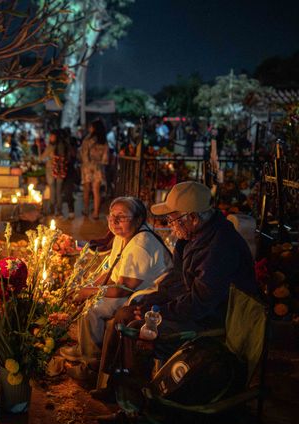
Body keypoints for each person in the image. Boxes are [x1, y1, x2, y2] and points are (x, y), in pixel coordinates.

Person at [101, 181, 258, 384]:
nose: (169, 224)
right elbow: (175, 280)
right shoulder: (192, 236)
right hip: (192, 306)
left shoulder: (219, 248)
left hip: (213, 317)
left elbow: (201, 303)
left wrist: (160, 313)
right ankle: (111, 381)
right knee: (126, 312)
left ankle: (137, 400)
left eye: (171, 218)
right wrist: (150, 303)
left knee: (137, 329)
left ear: (191, 218)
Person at [60, 197, 171, 381]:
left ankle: (92, 366)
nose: (114, 221)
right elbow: (111, 272)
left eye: (121, 216)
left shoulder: (141, 245)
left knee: (92, 310)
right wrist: (87, 286)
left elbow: (123, 289)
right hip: (128, 289)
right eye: (111, 215)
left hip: (142, 296)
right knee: (88, 296)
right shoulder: (121, 236)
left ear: (137, 220)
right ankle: (84, 348)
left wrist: (88, 292)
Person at [79, 119, 109, 220]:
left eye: (91, 127)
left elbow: (84, 154)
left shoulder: (88, 139)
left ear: (94, 128)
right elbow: (106, 158)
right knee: (96, 191)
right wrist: (100, 163)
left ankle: (86, 209)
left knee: (87, 190)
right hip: (99, 168)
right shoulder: (104, 140)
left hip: (88, 167)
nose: (89, 128)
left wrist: (87, 163)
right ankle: (96, 213)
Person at [39, 130, 69, 217]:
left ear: (55, 137)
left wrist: (46, 155)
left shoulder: (51, 147)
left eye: (51, 136)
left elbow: (41, 158)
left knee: (53, 190)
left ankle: (52, 209)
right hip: (61, 171)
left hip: (51, 171)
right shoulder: (63, 145)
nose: (50, 138)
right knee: (59, 191)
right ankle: (59, 211)